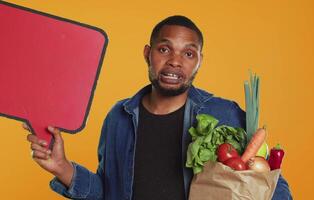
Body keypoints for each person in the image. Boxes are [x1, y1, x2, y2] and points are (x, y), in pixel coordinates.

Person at [25, 15, 292, 200]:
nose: (175, 61)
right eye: (164, 49)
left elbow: (273, 187)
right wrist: (62, 167)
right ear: (147, 54)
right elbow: (108, 192)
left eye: (188, 53)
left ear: (199, 62)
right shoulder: (119, 117)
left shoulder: (224, 115)